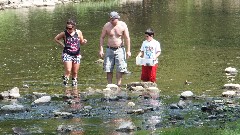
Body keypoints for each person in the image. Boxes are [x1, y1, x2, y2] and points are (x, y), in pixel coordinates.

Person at [99, 11, 131, 87]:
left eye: (113, 20)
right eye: (110, 20)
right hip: (109, 49)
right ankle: (109, 85)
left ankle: (118, 85)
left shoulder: (123, 25)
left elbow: (127, 38)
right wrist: (101, 49)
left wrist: (128, 51)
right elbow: (102, 37)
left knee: (120, 68)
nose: (111, 21)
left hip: (120, 49)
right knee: (108, 68)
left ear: (117, 18)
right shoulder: (107, 25)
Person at [54, 19, 87, 87]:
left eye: (70, 28)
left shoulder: (78, 32)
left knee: (75, 72)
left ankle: (74, 87)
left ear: (74, 27)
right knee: (68, 70)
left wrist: (84, 41)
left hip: (76, 54)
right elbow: (56, 39)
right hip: (67, 53)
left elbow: (81, 42)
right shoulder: (64, 33)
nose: (68, 29)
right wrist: (63, 45)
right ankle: (65, 85)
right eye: (67, 28)